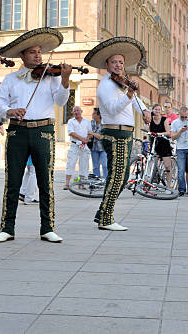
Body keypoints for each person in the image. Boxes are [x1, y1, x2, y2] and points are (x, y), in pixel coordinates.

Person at [0, 27, 71, 244]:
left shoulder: (51, 76)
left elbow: (61, 101)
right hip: (17, 130)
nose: (38, 55)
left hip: (43, 131)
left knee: (46, 181)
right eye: (33, 52)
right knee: (13, 180)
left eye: (39, 52)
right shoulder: (11, 79)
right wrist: (9, 111)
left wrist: (64, 80)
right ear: (22, 56)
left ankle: (48, 227)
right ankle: (7, 227)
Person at [85, 37, 151, 231]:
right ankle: (106, 218)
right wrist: (130, 94)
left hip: (125, 133)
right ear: (107, 64)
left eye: (121, 62)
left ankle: (102, 213)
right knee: (117, 177)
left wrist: (145, 110)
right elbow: (113, 109)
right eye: (114, 62)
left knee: (121, 178)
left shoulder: (122, 83)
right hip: (115, 133)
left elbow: (135, 101)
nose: (118, 65)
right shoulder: (105, 85)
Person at [64, 106, 92, 189]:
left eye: (78, 110)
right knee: (71, 163)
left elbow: (90, 132)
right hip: (75, 145)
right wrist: (82, 139)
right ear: (73, 112)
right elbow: (71, 133)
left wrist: (87, 138)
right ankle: (67, 183)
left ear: (81, 111)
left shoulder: (87, 121)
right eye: (74, 111)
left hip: (84, 145)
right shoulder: (71, 121)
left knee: (84, 165)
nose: (76, 112)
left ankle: (81, 183)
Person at [149, 103, 172, 184]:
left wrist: (159, 134)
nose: (158, 111)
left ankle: (168, 186)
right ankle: (153, 178)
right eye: (156, 109)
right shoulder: (150, 119)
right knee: (152, 163)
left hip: (164, 143)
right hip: (154, 143)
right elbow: (146, 128)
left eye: (159, 109)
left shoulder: (164, 120)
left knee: (167, 166)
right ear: (152, 110)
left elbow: (168, 132)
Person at [89, 108, 107, 178]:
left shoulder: (104, 124)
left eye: (94, 113)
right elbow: (88, 132)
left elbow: (102, 136)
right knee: (95, 166)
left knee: (105, 165)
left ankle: (105, 179)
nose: (92, 115)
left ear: (99, 115)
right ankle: (96, 180)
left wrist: (92, 133)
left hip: (103, 148)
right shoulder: (91, 123)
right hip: (93, 147)